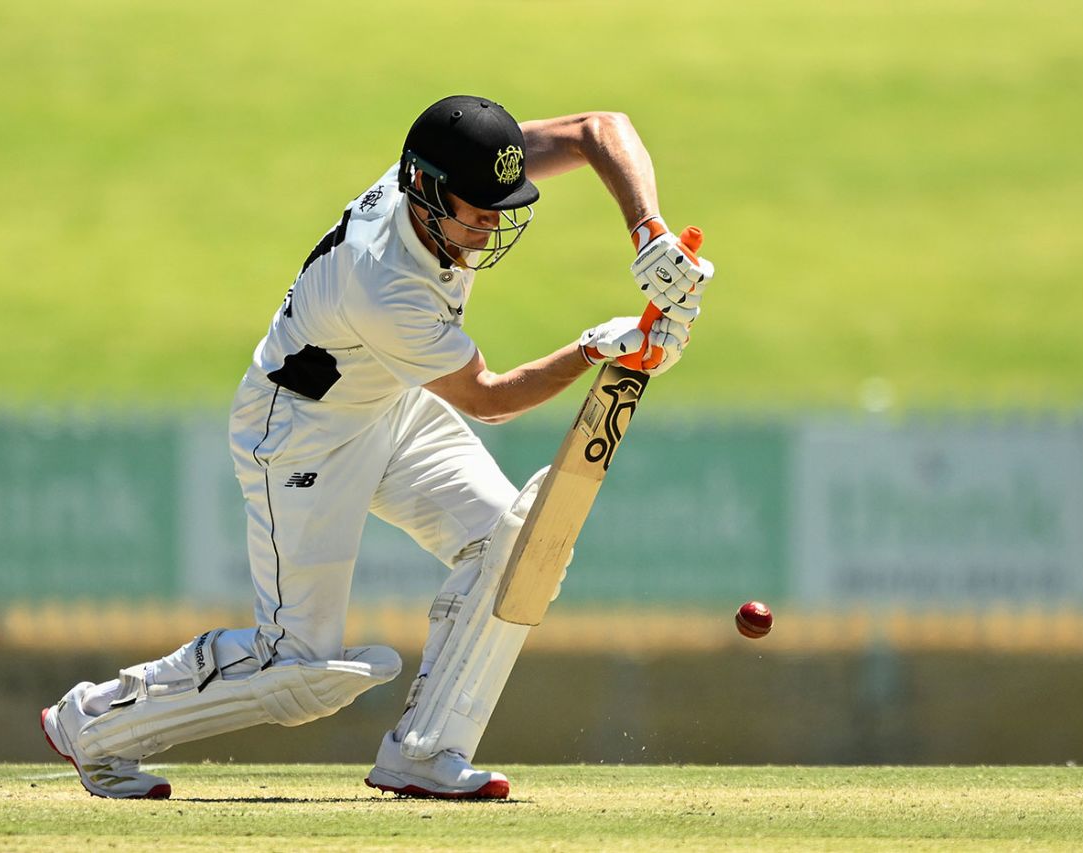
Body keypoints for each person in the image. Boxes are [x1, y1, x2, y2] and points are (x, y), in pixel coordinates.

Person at [40, 95, 714, 800]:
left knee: (514, 548)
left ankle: (425, 751)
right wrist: (594, 348)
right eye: (477, 208)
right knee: (298, 674)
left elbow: (597, 129)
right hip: (301, 432)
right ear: (423, 190)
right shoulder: (384, 278)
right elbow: (488, 397)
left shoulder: (444, 188)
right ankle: (93, 721)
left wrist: (650, 232)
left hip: (390, 401)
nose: (492, 223)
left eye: (500, 204)